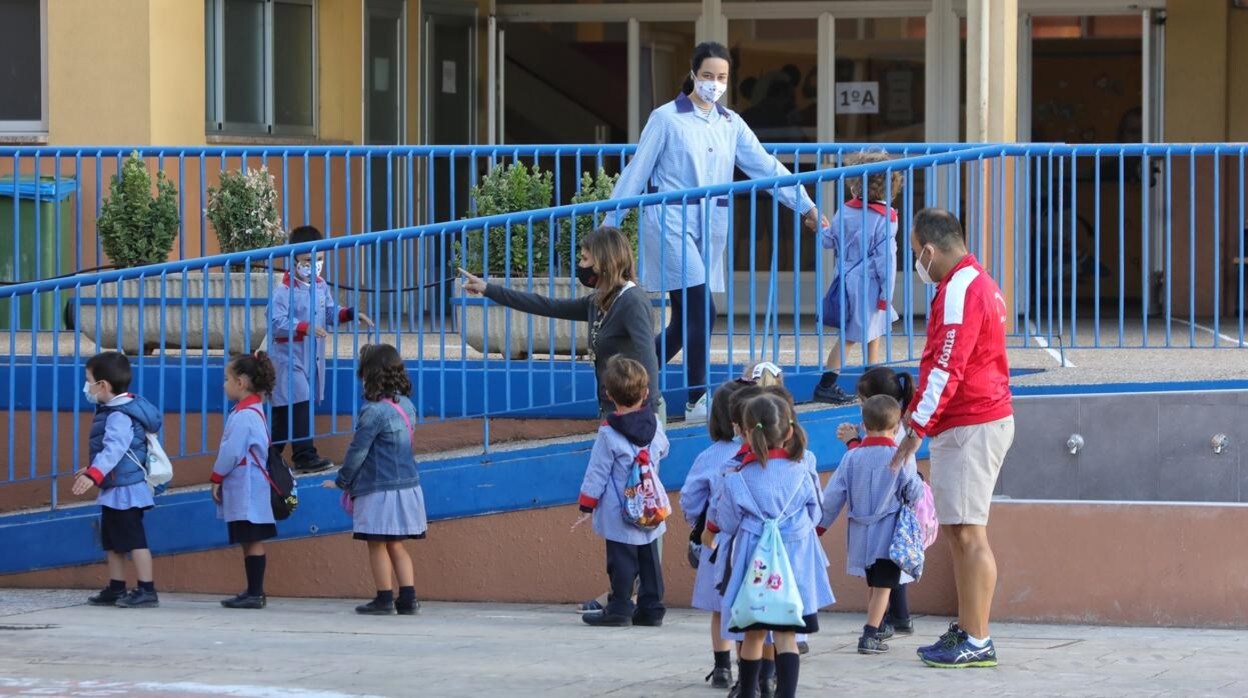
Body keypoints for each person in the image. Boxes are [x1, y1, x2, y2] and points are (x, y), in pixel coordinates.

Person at [605, 41, 829, 422]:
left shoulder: (731, 123)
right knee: (701, 309)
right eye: (707, 76)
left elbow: (765, 167)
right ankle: (696, 399)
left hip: (708, 226)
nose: (714, 83)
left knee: (687, 319)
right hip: (670, 221)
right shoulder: (666, 119)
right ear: (693, 74)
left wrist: (805, 204)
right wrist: (608, 226)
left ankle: (634, 383)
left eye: (721, 77)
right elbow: (636, 172)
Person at [890, 208, 1015, 668]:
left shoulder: (962, 288)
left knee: (968, 535)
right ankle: (968, 628)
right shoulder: (972, 282)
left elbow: (948, 365)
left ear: (929, 249)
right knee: (961, 533)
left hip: (971, 423)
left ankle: (977, 638)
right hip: (970, 420)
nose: (914, 263)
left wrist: (914, 429)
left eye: (914, 253)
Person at [458, 226, 663, 420]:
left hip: (637, 414)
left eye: (584, 259)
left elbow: (648, 356)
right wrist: (488, 289)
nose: (581, 266)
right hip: (612, 409)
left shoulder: (632, 301)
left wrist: (651, 414)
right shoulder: (599, 300)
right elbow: (545, 305)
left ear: (603, 262)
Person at [707, 393, 835, 698]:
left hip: (754, 570)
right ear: (789, 430)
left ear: (747, 432)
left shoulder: (737, 476)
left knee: (752, 634)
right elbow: (816, 513)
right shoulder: (803, 471)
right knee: (786, 636)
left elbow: (727, 523)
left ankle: (747, 691)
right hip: (795, 568)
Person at [326, 344, 427, 616]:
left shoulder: (373, 411)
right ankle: (408, 598)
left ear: (368, 374)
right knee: (397, 543)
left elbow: (358, 451)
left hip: (379, 489)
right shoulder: (407, 405)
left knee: (377, 544)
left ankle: (384, 598)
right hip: (407, 485)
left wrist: (342, 480)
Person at [818, 395, 924, 655]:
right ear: (897, 427)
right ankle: (869, 635)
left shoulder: (852, 458)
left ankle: (874, 625)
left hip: (860, 534)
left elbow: (833, 496)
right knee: (884, 586)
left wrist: (818, 527)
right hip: (889, 534)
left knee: (875, 585)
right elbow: (913, 491)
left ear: (864, 426)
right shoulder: (901, 455)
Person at [269, 225, 374, 473]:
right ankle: (304, 455)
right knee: (299, 399)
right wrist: (304, 327)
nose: (314, 265)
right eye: (308, 260)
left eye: (319, 259)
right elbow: (276, 322)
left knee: (285, 413)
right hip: (287, 359)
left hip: (309, 358)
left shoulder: (320, 286)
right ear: (294, 259)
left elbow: (329, 311)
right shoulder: (283, 291)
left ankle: (268, 457)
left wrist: (349, 313)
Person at [573, 356, 670, 627]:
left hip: (620, 509)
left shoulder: (608, 433)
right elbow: (663, 449)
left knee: (622, 561)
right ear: (646, 393)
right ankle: (652, 607)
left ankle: (620, 607)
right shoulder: (654, 424)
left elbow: (598, 472)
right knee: (650, 558)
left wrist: (587, 503)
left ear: (608, 394)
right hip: (650, 504)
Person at [74, 351, 163, 609]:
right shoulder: (113, 410)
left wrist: (94, 474)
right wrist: (92, 468)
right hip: (116, 487)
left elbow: (114, 449)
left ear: (102, 385)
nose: (86, 387)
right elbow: (112, 452)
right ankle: (116, 586)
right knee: (112, 541)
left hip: (126, 489)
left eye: (88, 380)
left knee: (135, 540)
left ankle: (147, 589)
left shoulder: (119, 415)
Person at [813, 151, 903, 405]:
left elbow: (829, 241)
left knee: (866, 332)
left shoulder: (845, 210)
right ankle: (827, 384)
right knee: (856, 335)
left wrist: (822, 227)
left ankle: (871, 382)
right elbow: (887, 260)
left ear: (855, 184)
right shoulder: (886, 218)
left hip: (846, 281)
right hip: (871, 285)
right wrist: (887, 294)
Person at [835, 366, 919, 633]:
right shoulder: (901, 432)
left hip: (884, 520)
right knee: (884, 575)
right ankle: (892, 619)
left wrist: (852, 443)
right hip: (890, 520)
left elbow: (874, 466)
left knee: (882, 578)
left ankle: (877, 626)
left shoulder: (896, 443)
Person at [680, 379, 750, 688]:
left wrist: (698, 520)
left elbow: (690, 497)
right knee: (746, 611)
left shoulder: (710, 455)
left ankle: (722, 667)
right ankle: (745, 665)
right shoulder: (762, 454)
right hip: (749, 544)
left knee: (719, 607)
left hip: (716, 541)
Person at [212, 352, 279, 610]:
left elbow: (231, 452)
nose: (224, 384)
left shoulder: (244, 416)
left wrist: (216, 476)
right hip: (249, 488)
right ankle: (253, 590)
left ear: (241, 382)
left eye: (227, 378)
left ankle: (255, 592)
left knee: (251, 541)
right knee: (250, 541)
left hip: (247, 489)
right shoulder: (251, 411)